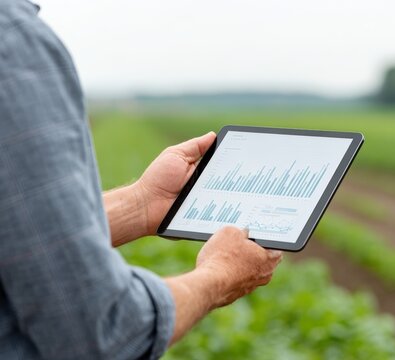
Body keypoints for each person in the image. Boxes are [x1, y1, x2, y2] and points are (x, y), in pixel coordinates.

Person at [0, 0, 282, 358]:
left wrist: (143, 202)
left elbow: (19, 231)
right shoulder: (12, 44)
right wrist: (221, 275)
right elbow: (100, 332)